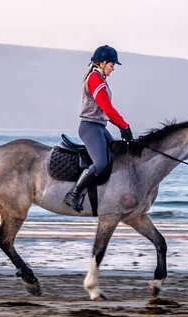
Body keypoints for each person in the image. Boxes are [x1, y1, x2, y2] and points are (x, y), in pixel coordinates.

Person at [64, 45, 134, 212]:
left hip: (99, 127)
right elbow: (107, 108)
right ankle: (73, 194)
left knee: (117, 156)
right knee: (101, 163)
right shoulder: (95, 79)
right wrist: (124, 126)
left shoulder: (100, 79)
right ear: (102, 63)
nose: (113, 69)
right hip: (90, 127)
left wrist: (123, 127)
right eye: (111, 65)